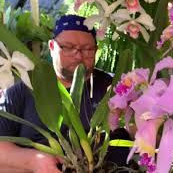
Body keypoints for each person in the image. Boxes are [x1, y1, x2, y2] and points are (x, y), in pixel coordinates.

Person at [0, 15, 131, 173]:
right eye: (68, 47)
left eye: (87, 49)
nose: (78, 56)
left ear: (96, 50)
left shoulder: (113, 88)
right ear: (52, 47)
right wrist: (33, 161)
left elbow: (138, 132)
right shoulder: (23, 91)